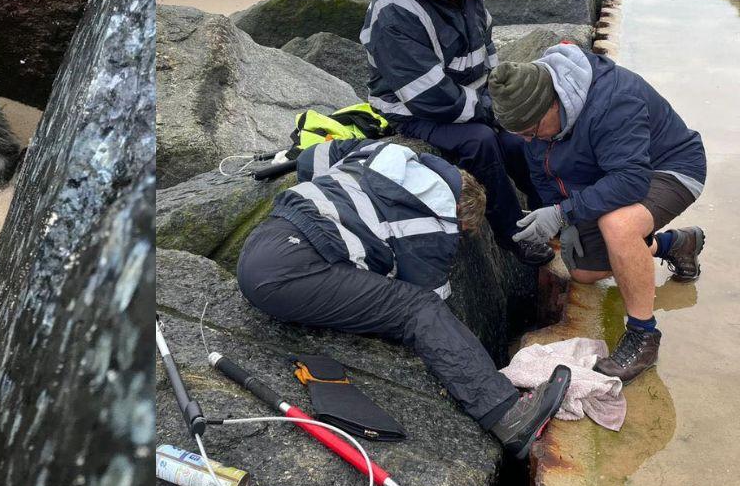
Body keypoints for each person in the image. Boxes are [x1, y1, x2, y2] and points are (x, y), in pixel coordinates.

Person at [236, 139, 569, 458]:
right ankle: (507, 415)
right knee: (417, 310)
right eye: (463, 231)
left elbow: (311, 159)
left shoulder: (378, 151)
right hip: (288, 272)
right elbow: (427, 303)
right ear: (459, 212)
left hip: (266, 240)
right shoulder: (437, 220)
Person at [488, 44, 707, 382]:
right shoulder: (538, 119)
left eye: (533, 130)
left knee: (617, 225)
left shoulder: (612, 101)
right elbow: (545, 172)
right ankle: (672, 245)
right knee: (585, 272)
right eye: (523, 135)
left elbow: (631, 181)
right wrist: (562, 218)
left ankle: (643, 335)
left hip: (671, 168)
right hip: (614, 173)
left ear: (554, 102)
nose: (531, 139)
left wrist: (565, 213)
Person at [360, 0, 553, 267]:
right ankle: (512, 234)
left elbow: (486, 42)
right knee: (480, 141)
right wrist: (491, 111)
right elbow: (429, 96)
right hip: (413, 110)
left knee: (517, 139)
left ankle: (553, 212)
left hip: (472, 97)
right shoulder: (396, 8)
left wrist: (500, 95)